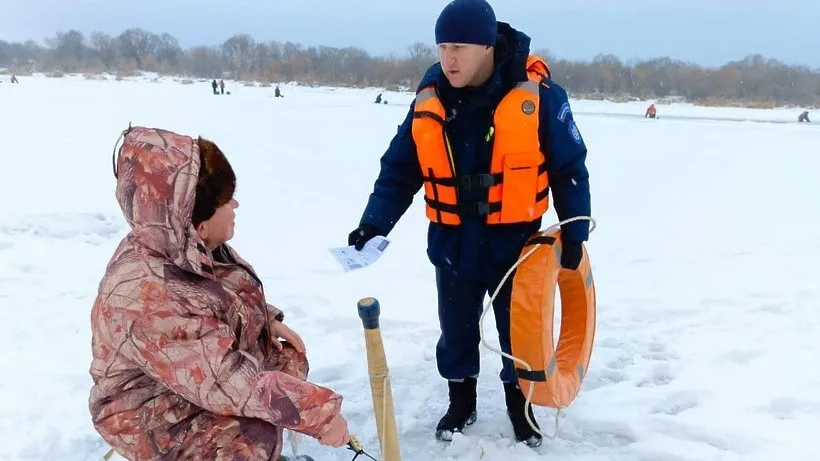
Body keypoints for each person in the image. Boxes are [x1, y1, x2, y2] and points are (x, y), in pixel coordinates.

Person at [346, 0, 592, 449]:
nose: (449, 58)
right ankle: (462, 400)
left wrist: (575, 230)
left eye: (458, 46)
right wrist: (373, 224)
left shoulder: (538, 97)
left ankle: (521, 407)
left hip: (516, 244)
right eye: (442, 47)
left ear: (486, 47)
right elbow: (400, 170)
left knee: (516, 332)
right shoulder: (430, 101)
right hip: (453, 243)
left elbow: (569, 167)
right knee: (455, 328)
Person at [90, 126, 349, 460]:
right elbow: (224, 379)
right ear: (196, 220)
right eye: (226, 201)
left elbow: (219, 292)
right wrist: (320, 416)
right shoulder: (151, 293)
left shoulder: (185, 245)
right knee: (251, 436)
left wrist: (266, 320)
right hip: (144, 408)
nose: (236, 205)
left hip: (187, 375)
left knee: (285, 361)